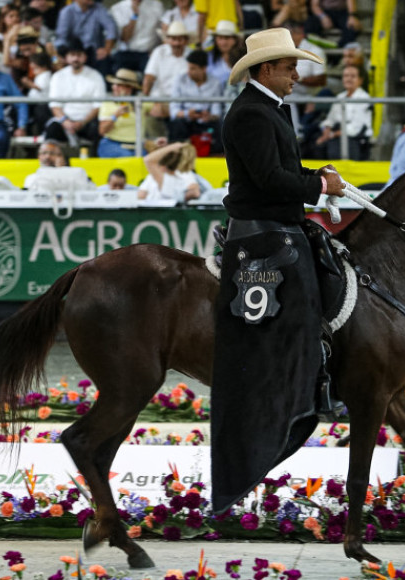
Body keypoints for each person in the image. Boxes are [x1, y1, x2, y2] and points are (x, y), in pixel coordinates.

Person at [211, 27, 347, 512]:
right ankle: (312, 383)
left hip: (280, 219)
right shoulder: (250, 114)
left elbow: (281, 171)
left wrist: (318, 180)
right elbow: (269, 178)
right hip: (263, 230)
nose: (296, 75)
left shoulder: (267, 110)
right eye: (290, 67)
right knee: (305, 296)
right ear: (266, 68)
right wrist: (319, 187)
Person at [45, 38, 106, 148]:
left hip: (87, 121)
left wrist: (82, 122)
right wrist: (65, 122)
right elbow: (55, 105)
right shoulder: (58, 76)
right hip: (64, 121)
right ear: (67, 58)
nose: (75, 58)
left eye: (79, 55)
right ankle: (51, 162)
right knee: (52, 130)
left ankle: (94, 162)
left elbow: (98, 106)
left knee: (98, 129)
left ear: (85, 57)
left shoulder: (96, 76)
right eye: (72, 55)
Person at [169, 49, 224, 154]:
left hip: (205, 123)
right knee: (177, 124)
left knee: (220, 125)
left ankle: (217, 156)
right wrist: (187, 114)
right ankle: (177, 156)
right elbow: (173, 111)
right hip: (186, 121)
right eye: (189, 68)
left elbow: (217, 112)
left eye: (193, 68)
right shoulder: (180, 80)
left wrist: (209, 116)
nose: (189, 71)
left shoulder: (215, 82)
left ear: (204, 69)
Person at [314, 63, 371, 160]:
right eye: (346, 76)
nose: (348, 79)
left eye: (353, 76)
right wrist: (326, 130)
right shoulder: (340, 97)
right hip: (335, 136)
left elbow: (355, 129)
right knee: (316, 144)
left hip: (355, 139)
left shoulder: (364, 98)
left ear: (360, 80)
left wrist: (332, 135)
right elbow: (329, 120)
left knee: (336, 150)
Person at [143, 21, 191, 129]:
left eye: (180, 39)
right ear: (167, 40)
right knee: (152, 116)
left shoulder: (191, 54)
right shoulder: (159, 52)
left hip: (183, 103)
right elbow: (149, 77)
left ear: (186, 41)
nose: (176, 43)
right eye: (173, 39)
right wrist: (146, 102)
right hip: (159, 100)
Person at [54, 0, 117, 75]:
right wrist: (64, 55)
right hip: (73, 50)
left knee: (106, 62)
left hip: (94, 52)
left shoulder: (99, 8)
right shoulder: (66, 12)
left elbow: (111, 29)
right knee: (58, 61)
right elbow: (61, 38)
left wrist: (106, 49)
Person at [98, 68, 143, 157]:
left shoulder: (141, 102)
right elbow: (102, 131)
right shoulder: (108, 103)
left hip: (137, 144)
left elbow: (160, 112)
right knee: (128, 157)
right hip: (112, 143)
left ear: (130, 87)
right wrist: (115, 115)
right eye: (114, 84)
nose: (114, 87)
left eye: (119, 85)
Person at [109, 0, 163, 73]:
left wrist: (157, 51)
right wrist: (135, 15)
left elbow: (162, 32)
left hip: (148, 53)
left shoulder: (157, 5)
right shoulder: (117, 8)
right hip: (126, 52)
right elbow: (125, 38)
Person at [136, 141, 201, 202]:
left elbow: (195, 192)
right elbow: (141, 195)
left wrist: (175, 146)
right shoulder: (151, 176)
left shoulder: (181, 175)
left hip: (166, 210)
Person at [207, 20, 240, 85]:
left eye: (227, 38)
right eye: (220, 38)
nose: (223, 42)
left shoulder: (243, 59)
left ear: (235, 40)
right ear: (215, 39)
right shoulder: (208, 58)